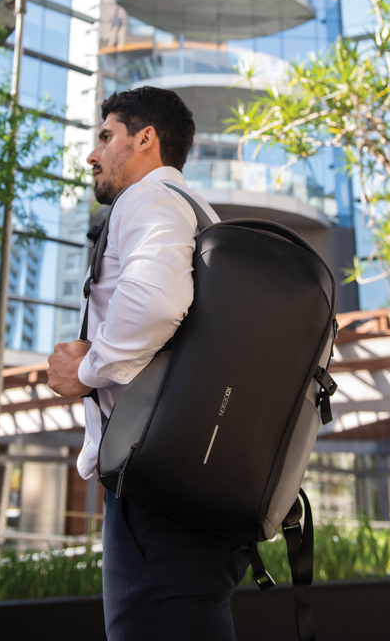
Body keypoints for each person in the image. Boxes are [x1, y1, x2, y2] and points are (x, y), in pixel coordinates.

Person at [46, 85, 249, 641]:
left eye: (105, 137)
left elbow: (155, 303)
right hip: (199, 477)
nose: (93, 155)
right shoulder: (200, 213)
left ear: (145, 139)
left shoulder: (148, 198)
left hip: (154, 481)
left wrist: (85, 370)